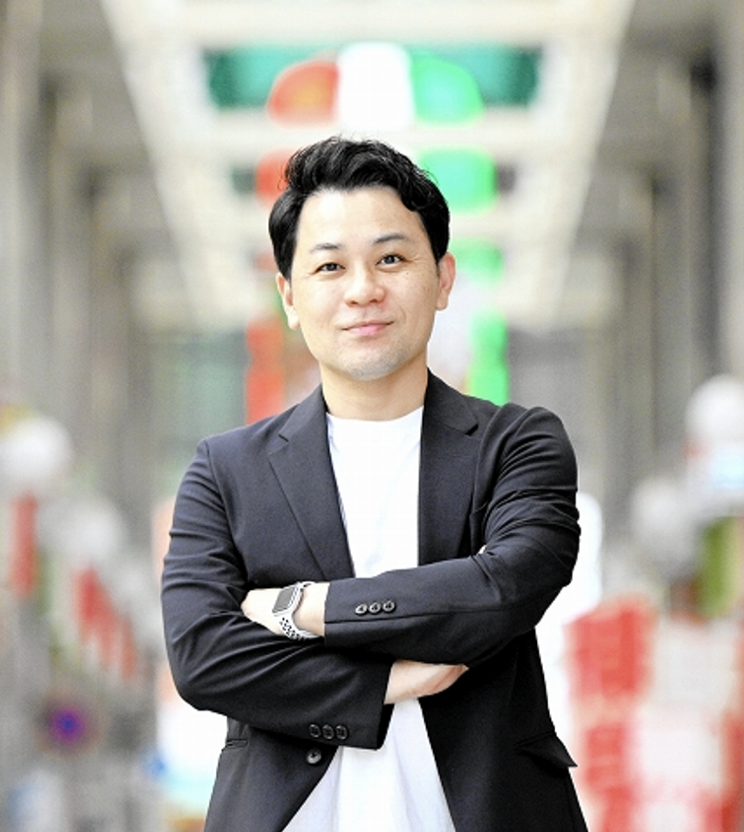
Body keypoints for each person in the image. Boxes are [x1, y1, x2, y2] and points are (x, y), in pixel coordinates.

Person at [161, 136, 589, 832]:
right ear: (289, 296)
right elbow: (204, 657)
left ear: (443, 279)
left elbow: (504, 589)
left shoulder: (516, 444)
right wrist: (384, 681)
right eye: (330, 266)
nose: (363, 289)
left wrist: (302, 608)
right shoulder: (227, 471)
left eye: (391, 259)